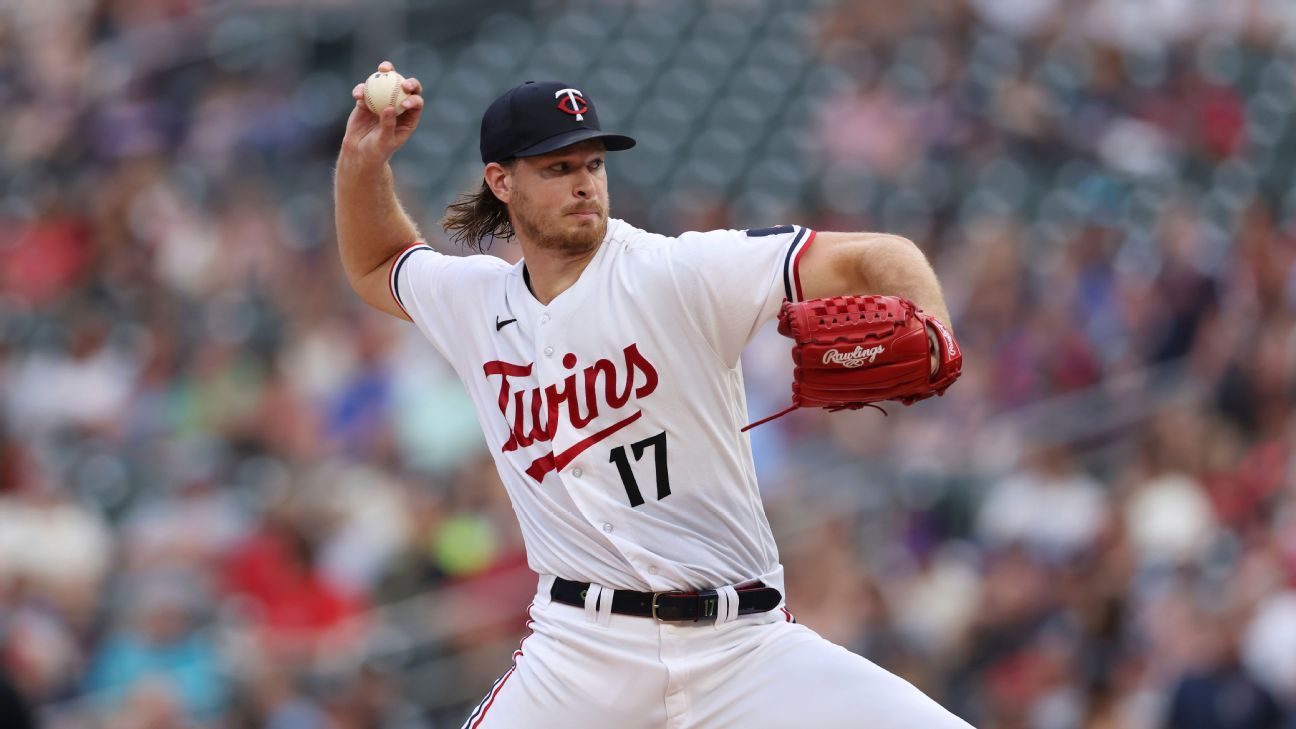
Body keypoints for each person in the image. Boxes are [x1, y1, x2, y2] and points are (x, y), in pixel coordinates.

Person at [335, 60, 973, 728]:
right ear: (501, 182)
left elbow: (876, 253)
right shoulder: (476, 302)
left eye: (593, 164)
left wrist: (934, 323)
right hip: (581, 654)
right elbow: (377, 262)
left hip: (743, 647)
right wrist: (363, 156)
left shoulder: (679, 271)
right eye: (557, 168)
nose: (584, 183)